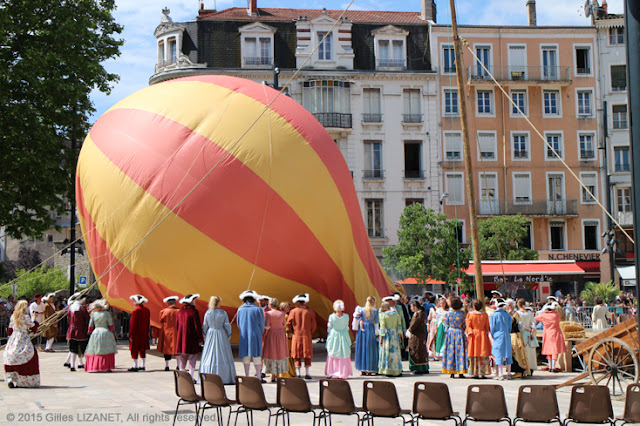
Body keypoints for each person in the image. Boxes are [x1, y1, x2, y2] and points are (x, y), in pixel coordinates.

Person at [199, 296, 235, 384]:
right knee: (223, 354)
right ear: (218, 303)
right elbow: (227, 326)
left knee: (209, 354)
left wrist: (205, 335)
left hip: (210, 334)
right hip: (221, 334)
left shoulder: (208, 313)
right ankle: (224, 376)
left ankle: (208, 374)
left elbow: (205, 326)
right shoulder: (223, 313)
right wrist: (228, 335)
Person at [3, 300, 40, 387]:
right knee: (30, 355)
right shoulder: (25, 317)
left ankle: (11, 378)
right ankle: (24, 381)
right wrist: (34, 319)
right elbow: (33, 328)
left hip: (14, 338)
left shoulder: (13, 316)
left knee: (11, 356)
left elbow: (9, 331)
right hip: (23, 338)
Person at [237, 290, 265, 381]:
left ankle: (247, 376)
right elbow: (262, 324)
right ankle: (259, 377)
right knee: (257, 356)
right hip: (255, 334)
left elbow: (238, 323)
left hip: (244, 335)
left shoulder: (240, 309)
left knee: (246, 356)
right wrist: (259, 333)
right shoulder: (258, 309)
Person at [287, 293, 316, 379]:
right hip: (307, 335)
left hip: (297, 335)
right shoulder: (310, 312)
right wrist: (310, 332)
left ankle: (298, 373)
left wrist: (293, 331)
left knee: (297, 354)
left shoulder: (293, 311)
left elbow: (288, 323)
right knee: (307, 354)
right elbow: (314, 325)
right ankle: (307, 373)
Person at [84, 299, 117, 372]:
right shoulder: (107, 314)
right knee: (106, 350)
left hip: (96, 332)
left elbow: (90, 326)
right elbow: (111, 325)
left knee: (95, 350)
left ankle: (95, 366)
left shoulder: (93, 314)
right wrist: (111, 331)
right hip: (105, 332)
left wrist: (90, 332)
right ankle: (105, 367)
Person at [176, 294, 203, 380]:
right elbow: (197, 327)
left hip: (181, 337)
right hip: (191, 338)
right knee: (192, 357)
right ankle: (191, 376)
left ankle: (182, 376)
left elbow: (177, 325)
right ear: (191, 301)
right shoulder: (194, 312)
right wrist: (200, 339)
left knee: (183, 357)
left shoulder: (180, 312)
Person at [262, 298, 289, 382]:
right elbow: (284, 324)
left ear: (270, 305)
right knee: (279, 354)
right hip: (280, 335)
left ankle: (273, 375)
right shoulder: (282, 314)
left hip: (271, 335)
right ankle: (278, 375)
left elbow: (267, 326)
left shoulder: (268, 314)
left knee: (272, 354)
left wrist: (264, 334)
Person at [535, 303, 566, 373]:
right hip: (556, 332)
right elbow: (560, 314)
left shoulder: (544, 315)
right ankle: (553, 366)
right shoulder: (557, 315)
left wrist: (543, 311)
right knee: (555, 350)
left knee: (548, 350)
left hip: (547, 333)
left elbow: (536, 317)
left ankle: (550, 366)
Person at [325, 299, 353, 379]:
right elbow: (346, 327)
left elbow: (329, 328)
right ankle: (343, 372)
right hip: (343, 335)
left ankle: (332, 372)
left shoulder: (331, 317)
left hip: (334, 335)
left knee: (333, 352)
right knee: (343, 353)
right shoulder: (346, 316)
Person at [442, 296, 467, 378]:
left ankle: (451, 371)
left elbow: (446, 325)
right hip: (459, 333)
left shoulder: (448, 313)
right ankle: (460, 371)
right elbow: (464, 325)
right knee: (460, 352)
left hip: (451, 333)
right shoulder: (462, 314)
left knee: (450, 351)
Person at [466, 299, 491, 379]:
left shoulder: (470, 315)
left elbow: (468, 326)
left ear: (473, 306)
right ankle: (483, 372)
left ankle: (475, 372)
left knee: (474, 352)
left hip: (474, 334)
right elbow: (487, 327)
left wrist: (469, 332)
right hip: (482, 334)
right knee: (483, 353)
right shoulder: (485, 315)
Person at [354, 296, 379, 376]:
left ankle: (362, 369)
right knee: (370, 349)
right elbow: (377, 322)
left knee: (362, 348)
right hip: (370, 329)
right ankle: (369, 369)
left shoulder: (361, 309)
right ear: (373, 301)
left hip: (362, 330)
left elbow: (356, 318)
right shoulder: (375, 310)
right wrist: (377, 332)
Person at [378, 301, 402, 376]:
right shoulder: (396, 314)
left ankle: (387, 370)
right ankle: (396, 370)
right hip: (394, 334)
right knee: (395, 353)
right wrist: (400, 336)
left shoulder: (382, 315)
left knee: (386, 352)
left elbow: (382, 327)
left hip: (387, 335)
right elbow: (399, 326)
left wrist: (381, 338)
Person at [66, 293, 90, 371]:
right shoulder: (82, 309)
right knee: (81, 347)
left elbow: (68, 319)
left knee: (73, 348)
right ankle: (82, 363)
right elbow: (88, 319)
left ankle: (73, 365)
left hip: (71, 330)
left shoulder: (70, 308)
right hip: (81, 331)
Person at [490, 299, 512, 380]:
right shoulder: (507, 315)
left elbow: (492, 327)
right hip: (506, 334)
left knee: (498, 353)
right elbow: (510, 327)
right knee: (508, 353)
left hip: (498, 335)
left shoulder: (494, 315)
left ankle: (500, 374)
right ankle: (509, 373)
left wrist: (493, 335)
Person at [128, 294, 151, 372]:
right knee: (142, 349)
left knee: (134, 349)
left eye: (134, 301)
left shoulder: (136, 311)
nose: (133, 302)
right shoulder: (147, 310)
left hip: (136, 333)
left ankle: (135, 366)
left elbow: (133, 324)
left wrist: (131, 334)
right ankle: (143, 365)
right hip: (144, 332)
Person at [157, 296, 180, 371]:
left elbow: (161, 320)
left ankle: (167, 366)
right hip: (176, 331)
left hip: (167, 331)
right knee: (177, 348)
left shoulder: (164, 311)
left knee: (166, 349)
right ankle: (178, 365)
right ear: (175, 302)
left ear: (168, 303)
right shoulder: (179, 311)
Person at [406, 300, 429, 374]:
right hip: (421, 335)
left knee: (416, 351)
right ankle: (423, 368)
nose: (411, 308)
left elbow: (413, 325)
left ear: (415, 307)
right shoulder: (422, 314)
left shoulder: (418, 315)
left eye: (411, 307)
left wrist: (409, 331)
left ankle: (417, 368)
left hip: (416, 336)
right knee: (422, 351)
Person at [517, 301, 538, 375]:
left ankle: (525, 367)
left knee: (524, 351)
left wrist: (528, 329)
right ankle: (531, 367)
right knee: (530, 351)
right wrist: (531, 329)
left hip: (523, 333)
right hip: (530, 333)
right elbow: (533, 322)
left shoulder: (518, 313)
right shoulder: (530, 313)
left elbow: (520, 325)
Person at [280, 301, 297, 377]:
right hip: (287, 337)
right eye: (287, 306)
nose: (289, 308)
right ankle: (288, 371)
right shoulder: (286, 316)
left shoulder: (281, 315)